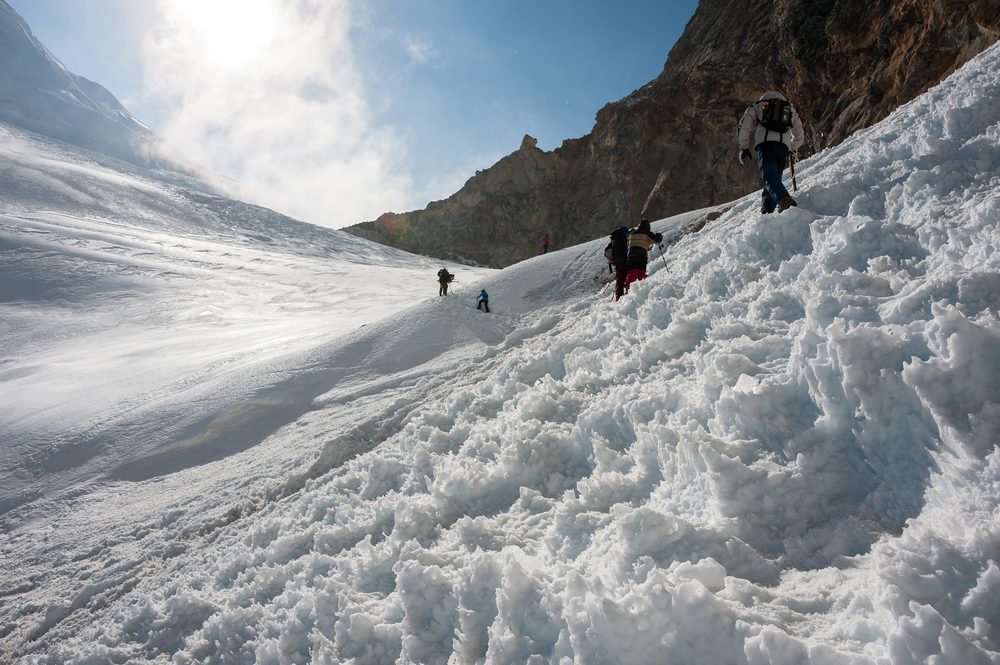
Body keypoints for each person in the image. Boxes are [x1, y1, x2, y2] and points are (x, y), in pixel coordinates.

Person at [737, 90, 805, 214]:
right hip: (783, 147)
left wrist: (744, 147)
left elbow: (744, 127)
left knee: (768, 176)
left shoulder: (757, 106)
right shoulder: (789, 109)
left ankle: (785, 201)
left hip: (766, 145)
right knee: (774, 180)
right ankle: (767, 213)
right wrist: (790, 147)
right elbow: (800, 135)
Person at [624, 219, 663, 290]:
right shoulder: (647, 233)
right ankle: (643, 287)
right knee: (641, 272)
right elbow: (657, 240)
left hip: (631, 255)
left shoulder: (632, 233)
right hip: (641, 255)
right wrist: (659, 235)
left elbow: (627, 238)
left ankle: (628, 285)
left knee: (632, 271)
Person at [607, 225, 630, 300]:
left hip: (617, 264)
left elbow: (607, 251)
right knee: (627, 280)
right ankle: (629, 296)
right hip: (625, 262)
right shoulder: (623, 238)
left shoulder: (613, 240)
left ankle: (618, 298)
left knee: (619, 282)